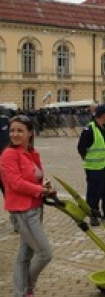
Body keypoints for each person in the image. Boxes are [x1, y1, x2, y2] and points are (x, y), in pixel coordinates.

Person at [1, 115, 55, 297]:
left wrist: (44, 187)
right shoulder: (8, 154)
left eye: (20, 130)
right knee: (45, 253)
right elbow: (15, 183)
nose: (15, 134)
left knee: (24, 255)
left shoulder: (30, 153)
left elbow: (33, 178)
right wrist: (40, 190)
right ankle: (26, 288)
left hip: (35, 207)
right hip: (23, 210)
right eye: (12, 130)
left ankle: (20, 292)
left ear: (30, 133)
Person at [77, 105, 105, 226]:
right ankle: (93, 215)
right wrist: (88, 159)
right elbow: (81, 148)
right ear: (103, 115)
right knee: (94, 193)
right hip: (94, 168)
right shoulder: (89, 129)